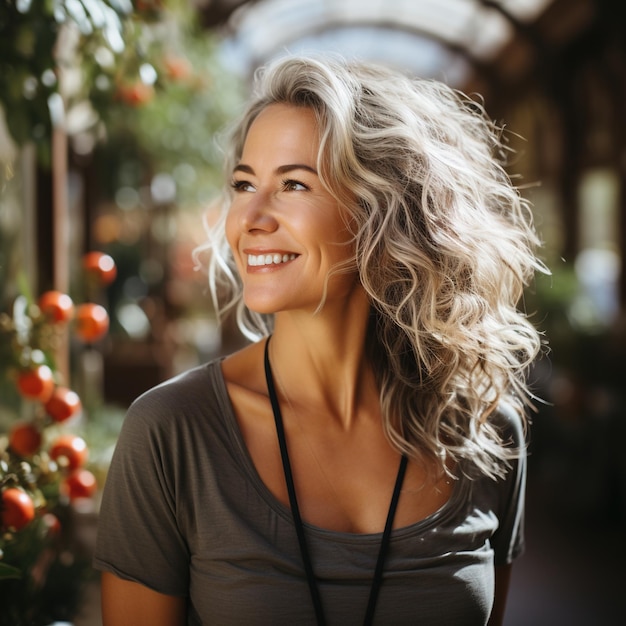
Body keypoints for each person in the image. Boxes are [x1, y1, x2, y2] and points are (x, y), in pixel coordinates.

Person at [94, 54, 546, 625]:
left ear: (382, 209)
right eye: (243, 183)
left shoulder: (485, 431)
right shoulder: (171, 432)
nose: (250, 216)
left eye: (293, 184)